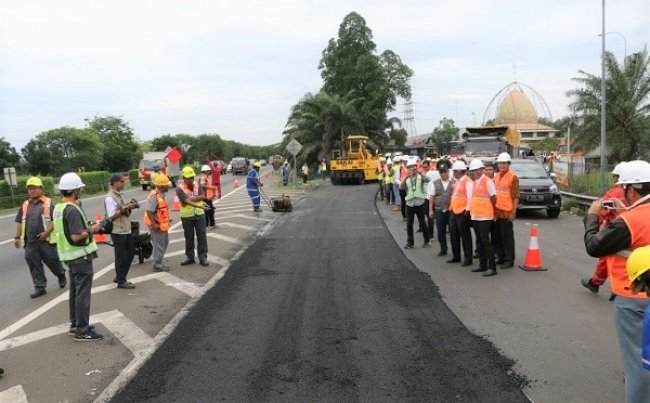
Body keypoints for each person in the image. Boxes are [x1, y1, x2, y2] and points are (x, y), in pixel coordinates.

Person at [583, 160, 650, 402]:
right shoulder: (631, 218)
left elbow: (594, 245)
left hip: (634, 300)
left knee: (637, 365)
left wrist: (591, 217)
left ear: (632, 190)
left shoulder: (629, 222)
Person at [52, 172, 103, 341]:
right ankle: (82, 329)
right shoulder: (72, 210)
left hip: (70, 257)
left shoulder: (59, 208)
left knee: (75, 291)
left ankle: (75, 324)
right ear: (74, 191)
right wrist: (92, 229)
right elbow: (76, 236)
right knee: (82, 294)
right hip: (80, 257)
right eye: (79, 189)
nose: (80, 191)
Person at [14, 177, 67, 298]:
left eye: (34, 188)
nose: (32, 191)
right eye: (30, 189)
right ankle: (40, 287)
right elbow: (19, 221)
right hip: (30, 241)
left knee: (52, 260)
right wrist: (17, 237)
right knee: (33, 263)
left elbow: (55, 220)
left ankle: (60, 274)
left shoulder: (49, 203)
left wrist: (46, 233)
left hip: (46, 240)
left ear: (41, 189)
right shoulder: (25, 204)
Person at [582, 161, 628, 293]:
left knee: (605, 258)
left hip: (616, 230)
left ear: (617, 177)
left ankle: (595, 283)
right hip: (634, 232)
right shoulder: (639, 195)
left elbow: (601, 212)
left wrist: (594, 222)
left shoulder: (612, 194)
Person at [105, 174, 138, 289]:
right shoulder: (110, 198)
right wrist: (127, 207)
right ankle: (121, 281)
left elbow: (123, 209)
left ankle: (120, 275)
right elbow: (111, 215)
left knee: (131, 253)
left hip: (125, 229)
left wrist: (129, 206)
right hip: (117, 231)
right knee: (120, 256)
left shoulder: (119, 195)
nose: (123, 183)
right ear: (114, 183)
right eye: (121, 181)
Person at [468, 159, 498, 276]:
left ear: (482, 170)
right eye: (473, 170)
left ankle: (492, 267)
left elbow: (493, 198)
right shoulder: (475, 182)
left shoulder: (488, 181)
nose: (475, 172)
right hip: (476, 216)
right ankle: (482, 264)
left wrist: (492, 211)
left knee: (486, 242)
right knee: (479, 242)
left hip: (485, 217)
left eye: (477, 170)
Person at [176, 166, 210, 267]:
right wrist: (191, 200)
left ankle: (203, 257)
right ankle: (190, 257)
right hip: (187, 216)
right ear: (183, 177)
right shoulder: (179, 188)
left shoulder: (197, 184)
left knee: (202, 236)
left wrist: (189, 200)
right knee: (189, 237)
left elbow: (202, 196)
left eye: (192, 177)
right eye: (188, 178)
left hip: (199, 214)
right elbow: (185, 201)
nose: (191, 180)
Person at [493, 152, 519, 269]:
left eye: (504, 163)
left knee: (507, 238)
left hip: (507, 212)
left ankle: (509, 260)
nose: (502, 165)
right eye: (500, 163)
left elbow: (516, 196)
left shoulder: (513, 177)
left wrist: (513, 212)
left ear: (509, 164)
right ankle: (501, 257)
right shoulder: (496, 176)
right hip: (497, 212)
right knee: (497, 237)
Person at [447, 160, 473, 267]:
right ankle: (456, 256)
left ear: (458, 171)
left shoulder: (468, 182)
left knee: (465, 236)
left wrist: (467, 210)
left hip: (463, 213)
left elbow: (470, 197)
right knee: (454, 235)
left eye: (454, 171)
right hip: (454, 211)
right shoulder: (457, 182)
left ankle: (468, 258)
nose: (453, 173)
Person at [145, 174, 172, 272]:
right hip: (156, 225)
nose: (169, 186)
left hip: (161, 224)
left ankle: (159, 261)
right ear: (161, 186)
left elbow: (160, 210)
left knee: (164, 242)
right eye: (167, 185)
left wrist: (166, 219)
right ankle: (157, 264)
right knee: (159, 244)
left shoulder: (160, 195)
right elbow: (149, 211)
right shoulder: (154, 196)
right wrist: (154, 223)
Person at [401, 159, 431, 249]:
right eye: (410, 167)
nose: (412, 169)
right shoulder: (407, 178)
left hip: (419, 203)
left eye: (413, 167)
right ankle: (410, 242)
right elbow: (401, 187)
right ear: (407, 169)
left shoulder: (420, 176)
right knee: (409, 224)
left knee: (422, 223)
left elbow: (428, 179)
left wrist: (420, 173)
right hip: (410, 204)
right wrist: (406, 177)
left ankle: (427, 241)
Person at [429, 160, 452, 256]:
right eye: (441, 172)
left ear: (448, 171)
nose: (443, 174)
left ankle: (456, 251)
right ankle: (443, 249)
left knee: (453, 232)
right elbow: (431, 197)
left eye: (445, 171)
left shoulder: (454, 183)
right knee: (440, 231)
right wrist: (430, 210)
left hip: (451, 211)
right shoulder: (434, 183)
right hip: (439, 210)